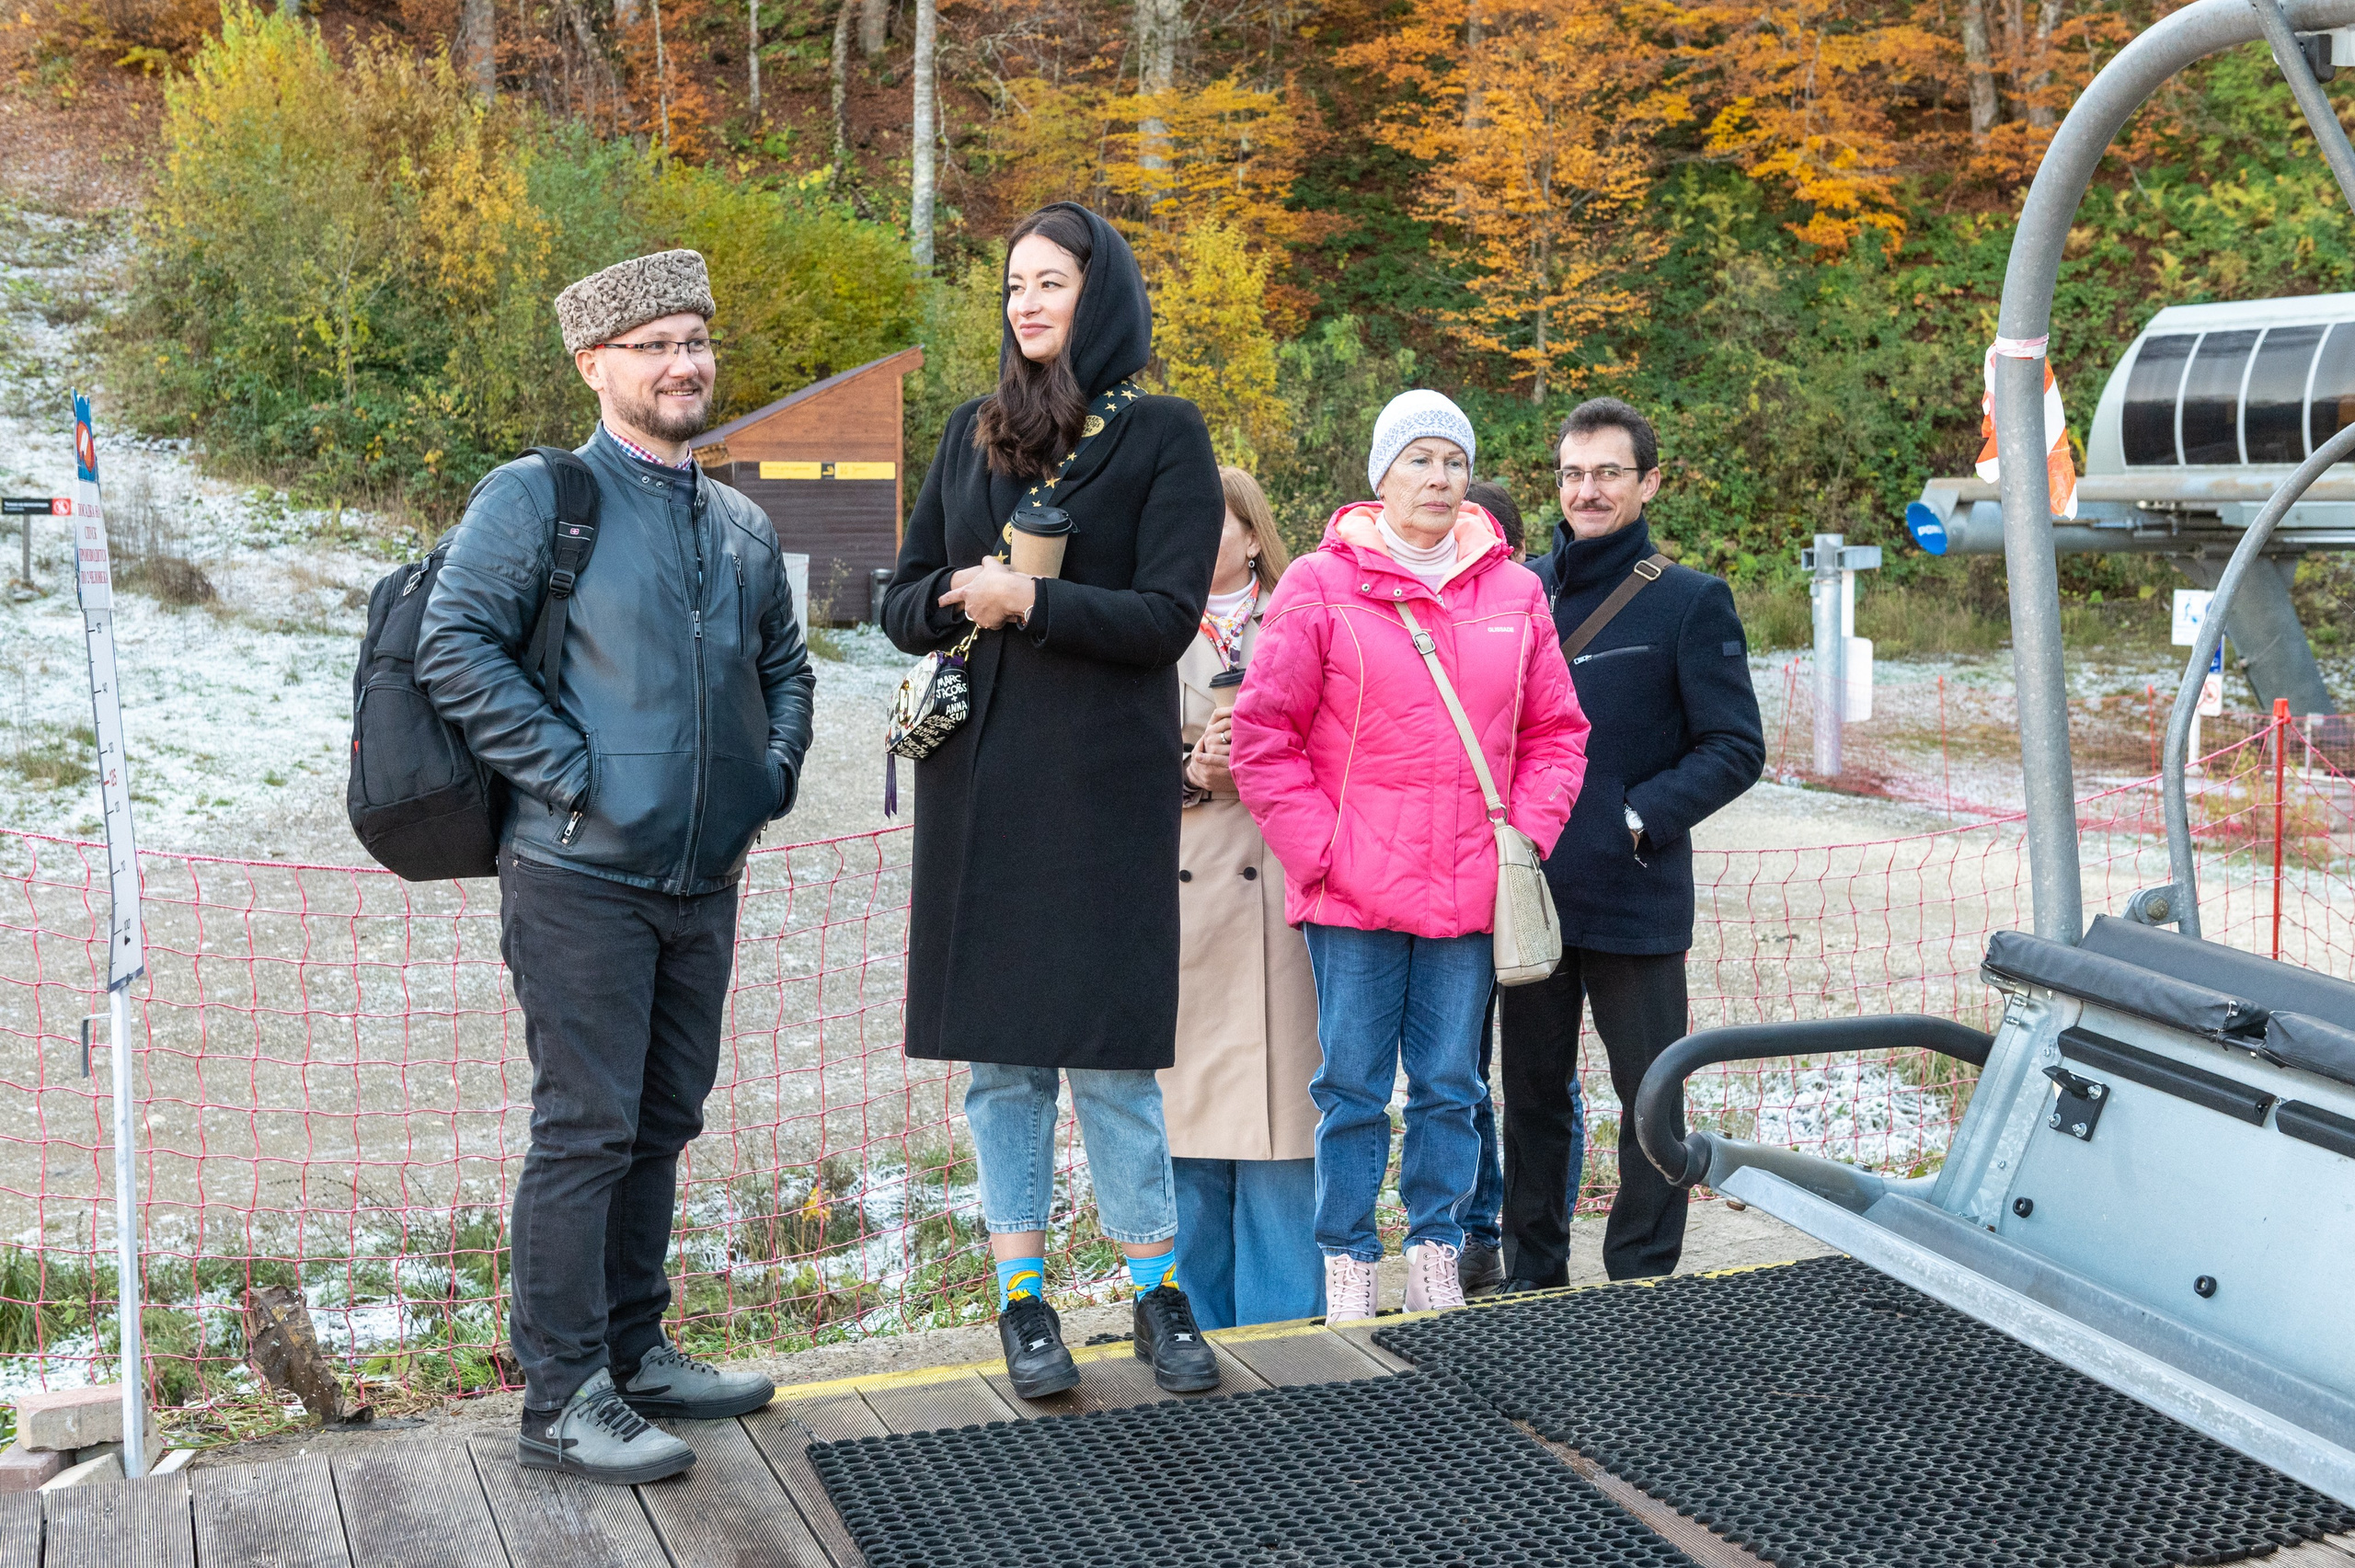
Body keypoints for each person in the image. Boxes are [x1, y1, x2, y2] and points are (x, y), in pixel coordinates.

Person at [418, 249, 814, 1484]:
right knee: (585, 1128)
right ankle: (561, 1396)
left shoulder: (743, 521)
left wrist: (770, 776)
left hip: (704, 879)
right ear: (595, 365)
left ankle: (636, 1356)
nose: (685, 362)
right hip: (580, 873)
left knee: (663, 1120)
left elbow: (788, 670)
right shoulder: (540, 499)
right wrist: (577, 775)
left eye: (696, 338)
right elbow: (455, 643)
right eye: (655, 345)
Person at [880, 203, 1226, 1401]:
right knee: (1004, 1070)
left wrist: (1035, 606)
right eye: (1014, 284)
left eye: (1051, 283)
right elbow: (897, 599)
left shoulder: (1166, 435)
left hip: (1101, 788)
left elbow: (1167, 618)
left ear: (1103, 294)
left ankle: (1155, 1295)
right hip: (977, 787)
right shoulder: (970, 437)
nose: (1027, 303)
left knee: (1114, 1061)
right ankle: (1023, 1304)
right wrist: (957, 599)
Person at [1231, 390, 1589, 1323]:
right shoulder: (1317, 583)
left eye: (1453, 461)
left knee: (1450, 1087)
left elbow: (1557, 732)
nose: (1438, 478)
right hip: (1351, 890)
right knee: (1350, 1087)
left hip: (1469, 888)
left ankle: (1435, 1253)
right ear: (1380, 474)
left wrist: (1524, 839)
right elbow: (1263, 738)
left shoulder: (1515, 591)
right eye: (1418, 459)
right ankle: (1347, 1261)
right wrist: (1322, 852)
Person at [1499, 397, 1763, 1289]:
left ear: (1648, 481)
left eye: (1608, 471)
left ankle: (1642, 1279)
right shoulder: (1519, 591)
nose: (1588, 489)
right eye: (1573, 472)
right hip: (1527, 897)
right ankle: (1532, 1274)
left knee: (1650, 1100)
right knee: (1530, 1100)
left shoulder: (1690, 602)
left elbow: (1735, 747)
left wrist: (1635, 816)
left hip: (1635, 898)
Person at [1159, 465, 1323, 1330]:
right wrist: (1190, 774)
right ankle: (1196, 1331)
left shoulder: (1307, 617)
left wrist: (1258, 765)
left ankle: (1289, 1339)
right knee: (1186, 1138)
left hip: (1284, 901)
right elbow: (1092, 762)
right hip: (1183, 909)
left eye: (1207, 520)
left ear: (1253, 536)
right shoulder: (1144, 622)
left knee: (1284, 1135)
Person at [1452, 479, 1585, 1298]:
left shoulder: (1530, 613)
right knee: (1456, 1072)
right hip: (1450, 883)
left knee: (1541, 1074)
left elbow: (1558, 737)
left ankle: (1540, 1226)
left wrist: (1532, 837)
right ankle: (1474, 1230)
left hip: (1533, 880)